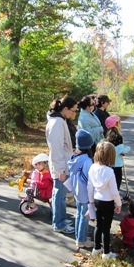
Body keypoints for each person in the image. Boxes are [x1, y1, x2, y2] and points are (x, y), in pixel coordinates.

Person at [46, 96, 78, 234]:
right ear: (65, 109)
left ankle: (61, 219)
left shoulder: (61, 120)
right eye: (73, 111)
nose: (74, 114)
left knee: (61, 194)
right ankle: (59, 223)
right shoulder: (57, 123)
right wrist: (60, 169)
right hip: (60, 166)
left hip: (63, 164)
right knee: (59, 195)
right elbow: (56, 148)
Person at [87, 140, 122, 259]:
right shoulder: (110, 172)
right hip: (107, 202)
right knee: (106, 228)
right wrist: (119, 204)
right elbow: (114, 191)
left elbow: (89, 186)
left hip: (97, 200)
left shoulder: (92, 167)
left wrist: (90, 201)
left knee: (98, 225)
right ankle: (106, 253)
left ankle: (96, 248)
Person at [68, 129, 94, 249]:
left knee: (79, 214)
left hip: (77, 192)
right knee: (84, 217)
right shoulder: (87, 161)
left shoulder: (74, 157)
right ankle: (82, 240)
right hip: (85, 193)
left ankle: (79, 237)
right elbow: (88, 179)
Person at [105, 115, 130, 191]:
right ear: (116, 124)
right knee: (116, 182)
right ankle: (115, 200)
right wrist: (127, 149)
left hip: (109, 163)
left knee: (109, 183)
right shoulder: (118, 137)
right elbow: (120, 150)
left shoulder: (107, 135)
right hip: (117, 164)